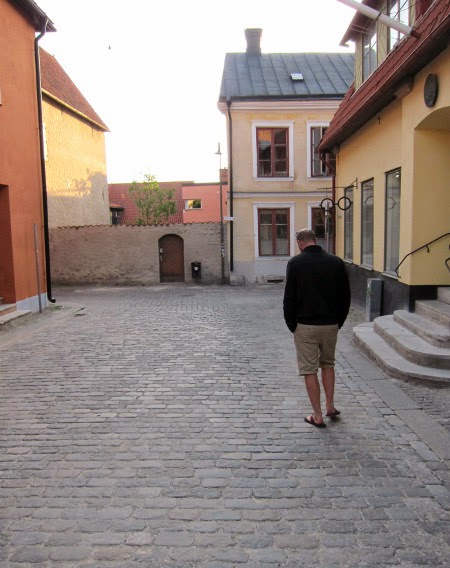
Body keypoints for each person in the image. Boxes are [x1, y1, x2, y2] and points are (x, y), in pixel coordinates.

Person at [283, 228, 351, 428]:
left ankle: (318, 415)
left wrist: (292, 325)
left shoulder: (295, 263)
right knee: (328, 364)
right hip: (330, 324)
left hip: (305, 325)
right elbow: (345, 296)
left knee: (309, 370)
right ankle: (330, 406)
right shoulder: (336, 262)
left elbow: (289, 297)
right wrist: (339, 321)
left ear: (300, 243)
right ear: (315, 240)